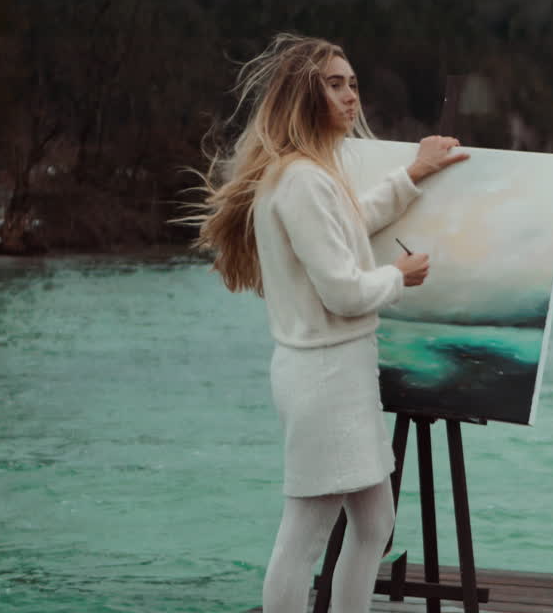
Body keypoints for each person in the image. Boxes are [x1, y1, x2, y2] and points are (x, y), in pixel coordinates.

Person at [188, 33, 468, 613]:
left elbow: (352, 220)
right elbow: (342, 291)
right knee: (306, 534)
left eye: (353, 84)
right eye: (335, 84)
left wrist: (413, 173)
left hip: (337, 374)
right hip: (324, 378)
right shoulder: (301, 180)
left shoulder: (306, 176)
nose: (351, 97)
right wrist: (399, 275)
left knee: (373, 522)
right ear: (302, 95)